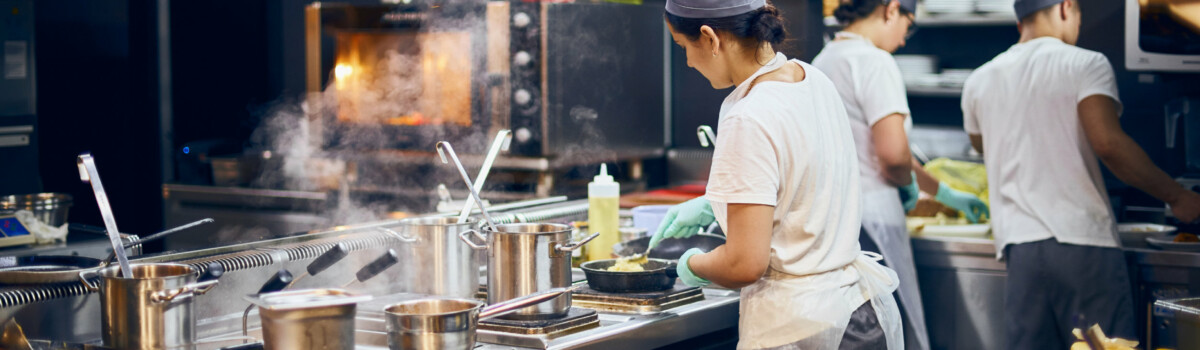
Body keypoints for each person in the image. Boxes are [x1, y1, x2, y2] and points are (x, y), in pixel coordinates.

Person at [649, 0, 904, 348]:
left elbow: (744, 264)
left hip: (802, 329)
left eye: (684, 47)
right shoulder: (813, 78)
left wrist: (691, 265)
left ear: (710, 38)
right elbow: (802, 180)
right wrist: (717, 202)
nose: (689, 62)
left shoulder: (747, 116)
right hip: (856, 313)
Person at [960, 0, 1200, 347]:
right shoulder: (1084, 63)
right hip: (1083, 247)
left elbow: (983, 145)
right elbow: (1108, 143)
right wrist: (1178, 197)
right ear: (1065, 8)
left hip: (1020, 249)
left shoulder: (979, 80)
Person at [811, 1, 989, 349]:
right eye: (908, 26)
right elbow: (893, 157)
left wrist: (943, 192)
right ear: (891, 9)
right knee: (892, 328)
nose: (905, 40)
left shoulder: (823, 61)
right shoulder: (874, 61)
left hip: (835, 220)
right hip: (875, 221)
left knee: (852, 334)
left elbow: (879, 152)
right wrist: (906, 183)